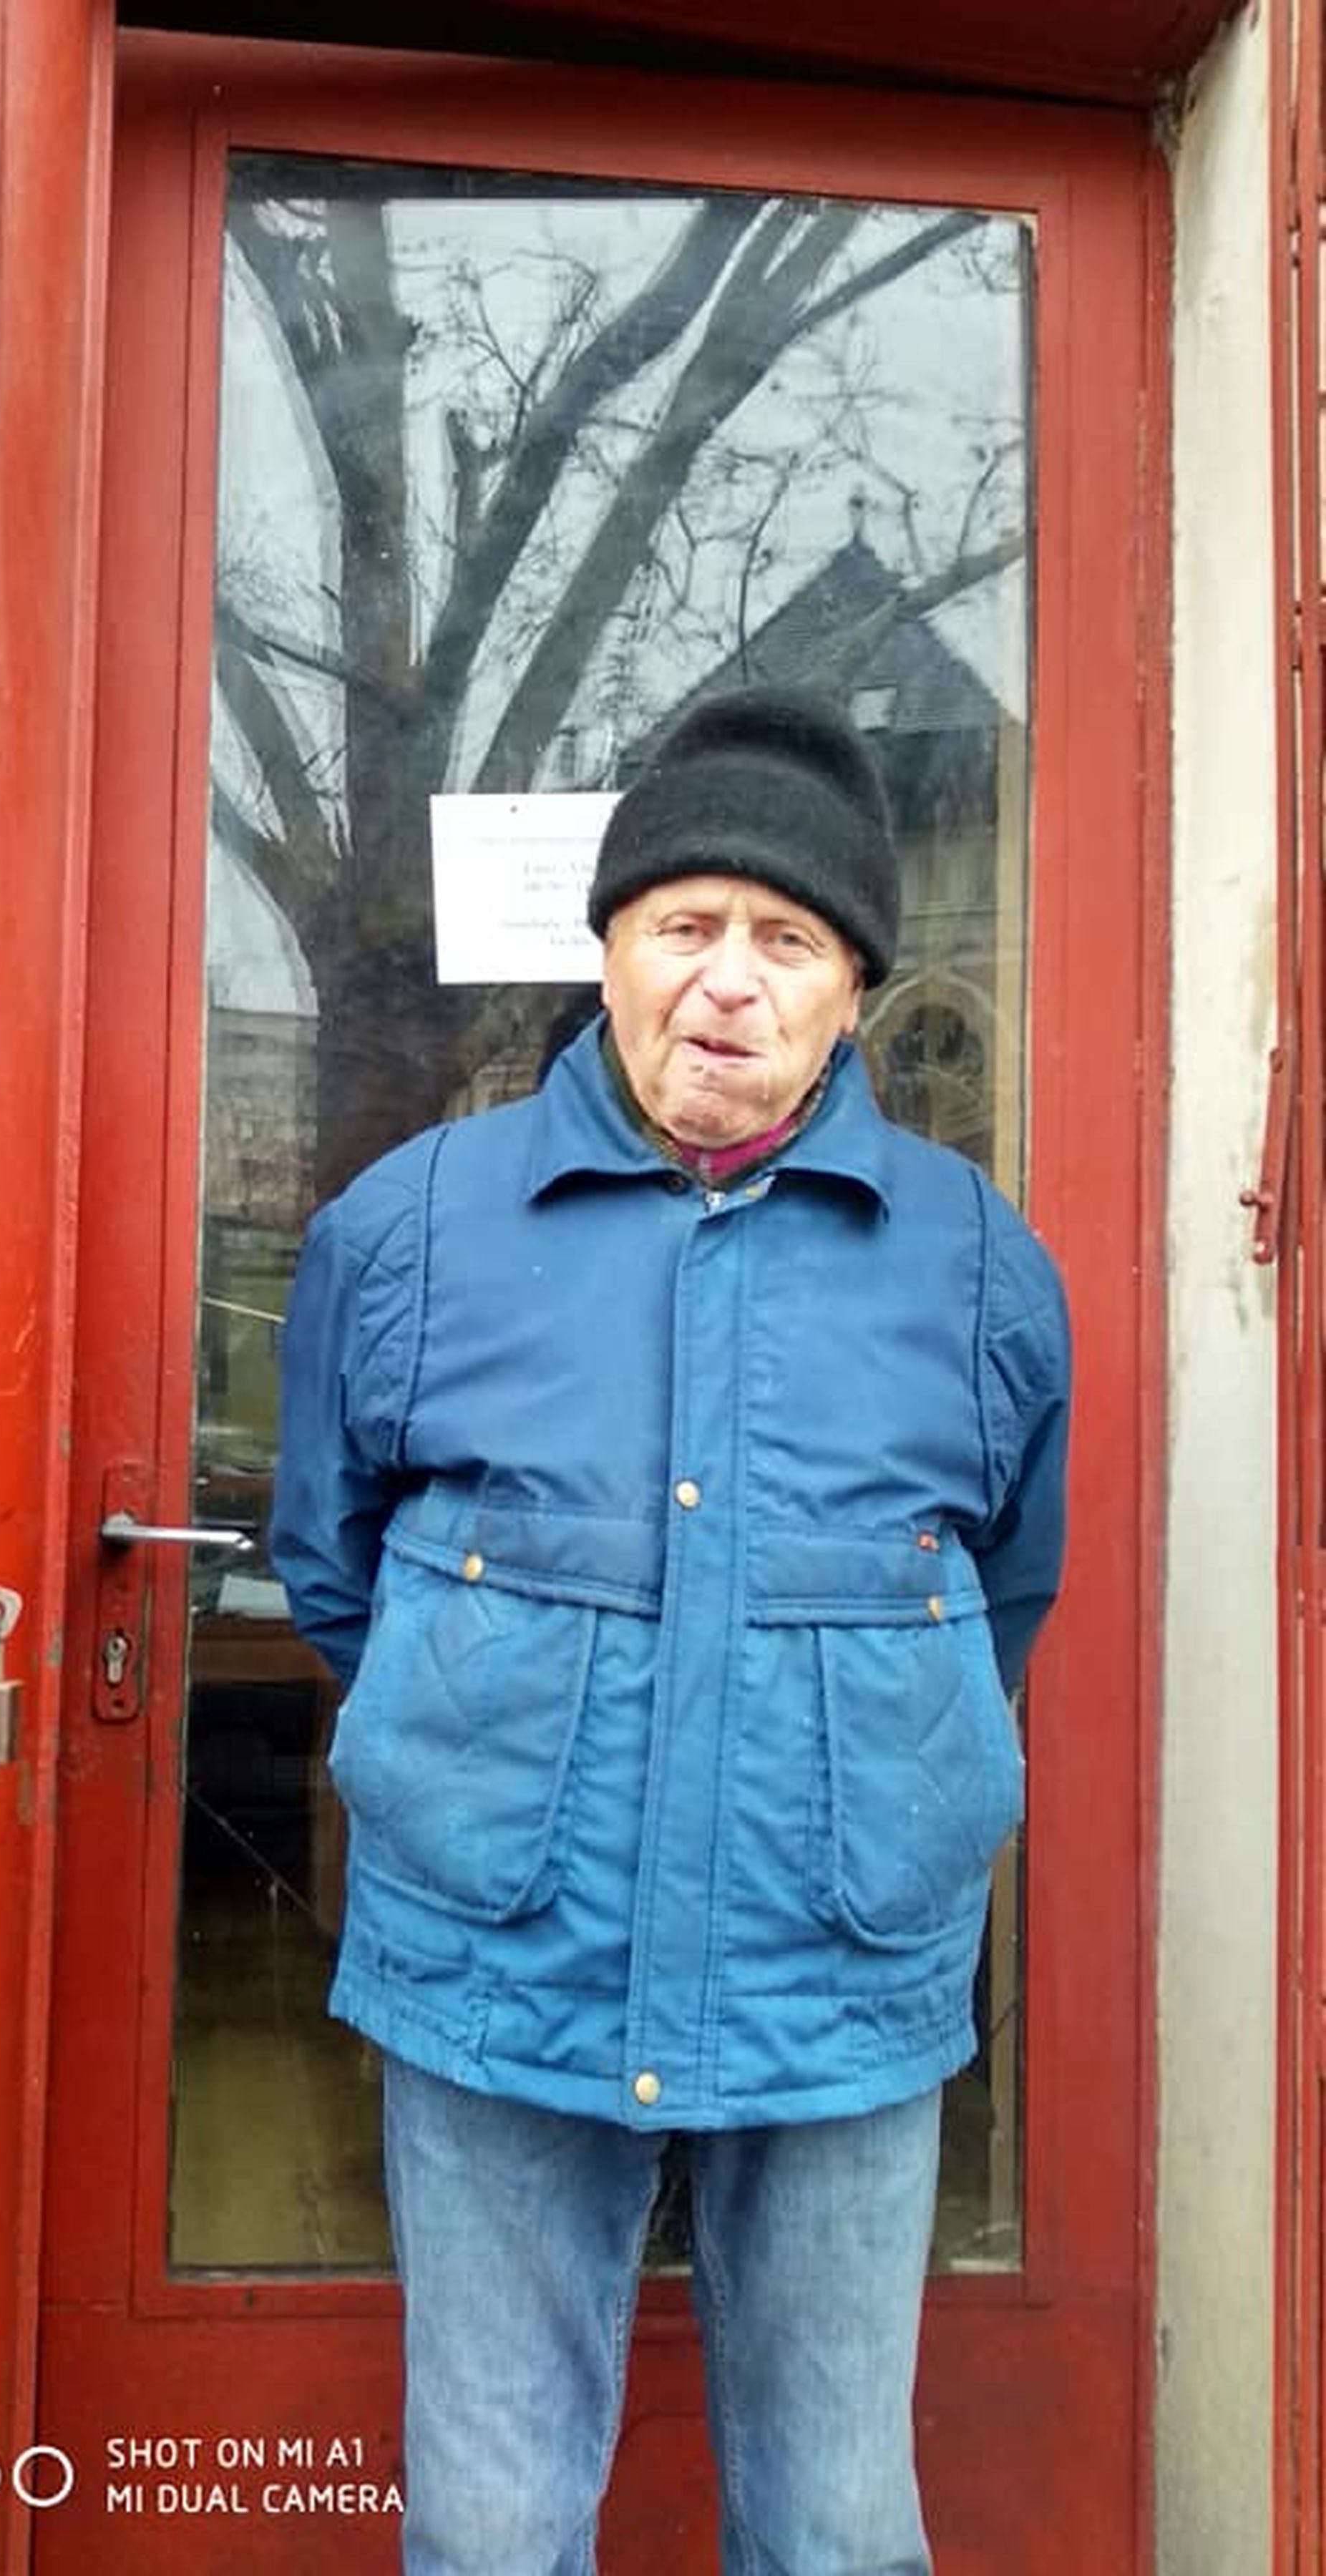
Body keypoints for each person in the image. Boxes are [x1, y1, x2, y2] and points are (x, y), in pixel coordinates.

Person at [270, 686, 1071, 2576]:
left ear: (851, 993)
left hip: (835, 1979)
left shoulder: (977, 1265)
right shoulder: (411, 1231)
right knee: (489, 2525)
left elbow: (1001, 1597)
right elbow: (336, 1570)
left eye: (785, 939)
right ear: (610, 952)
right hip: (502, 1968)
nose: (727, 981)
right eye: (683, 924)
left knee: (837, 2524)